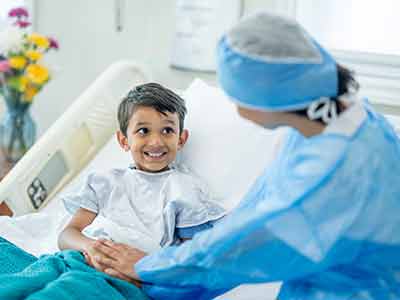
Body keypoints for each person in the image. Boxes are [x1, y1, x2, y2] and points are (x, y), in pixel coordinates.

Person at [92, 12, 400, 300]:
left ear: (270, 98)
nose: (235, 106)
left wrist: (150, 267)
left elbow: (243, 249)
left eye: (236, 95)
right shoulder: (338, 116)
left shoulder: (330, 170)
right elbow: (258, 208)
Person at [58, 82, 226, 272]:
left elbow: (190, 259)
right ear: (124, 140)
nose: (156, 142)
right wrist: (90, 246)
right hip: (75, 261)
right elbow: (67, 235)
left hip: (119, 277)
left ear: (181, 139)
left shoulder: (184, 190)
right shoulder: (104, 183)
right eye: (143, 131)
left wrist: (144, 268)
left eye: (167, 130)